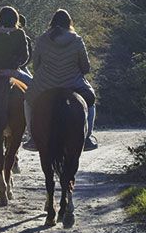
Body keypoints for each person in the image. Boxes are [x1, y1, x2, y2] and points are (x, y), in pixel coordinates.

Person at [25, 9, 98, 151]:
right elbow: (86, 67)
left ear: (51, 23)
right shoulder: (77, 40)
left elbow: (36, 65)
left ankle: (32, 137)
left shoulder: (42, 39)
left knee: (27, 100)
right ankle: (88, 137)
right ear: (69, 23)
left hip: (45, 86)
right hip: (73, 85)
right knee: (90, 101)